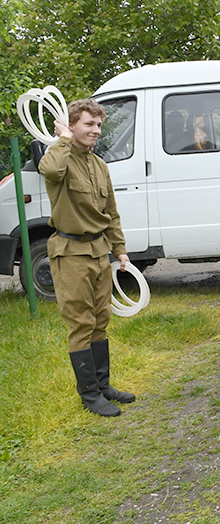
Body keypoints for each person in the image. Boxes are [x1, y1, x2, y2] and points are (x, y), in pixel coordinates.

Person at [39, 99, 134, 417]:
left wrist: (119, 249)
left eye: (98, 125)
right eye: (88, 124)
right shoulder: (60, 157)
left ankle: (103, 386)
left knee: (100, 321)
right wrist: (63, 138)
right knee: (81, 323)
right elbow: (50, 170)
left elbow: (111, 213)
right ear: (71, 126)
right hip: (71, 253)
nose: (96, 131)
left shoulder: (99, 165)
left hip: (98, 252)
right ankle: (89, 395)